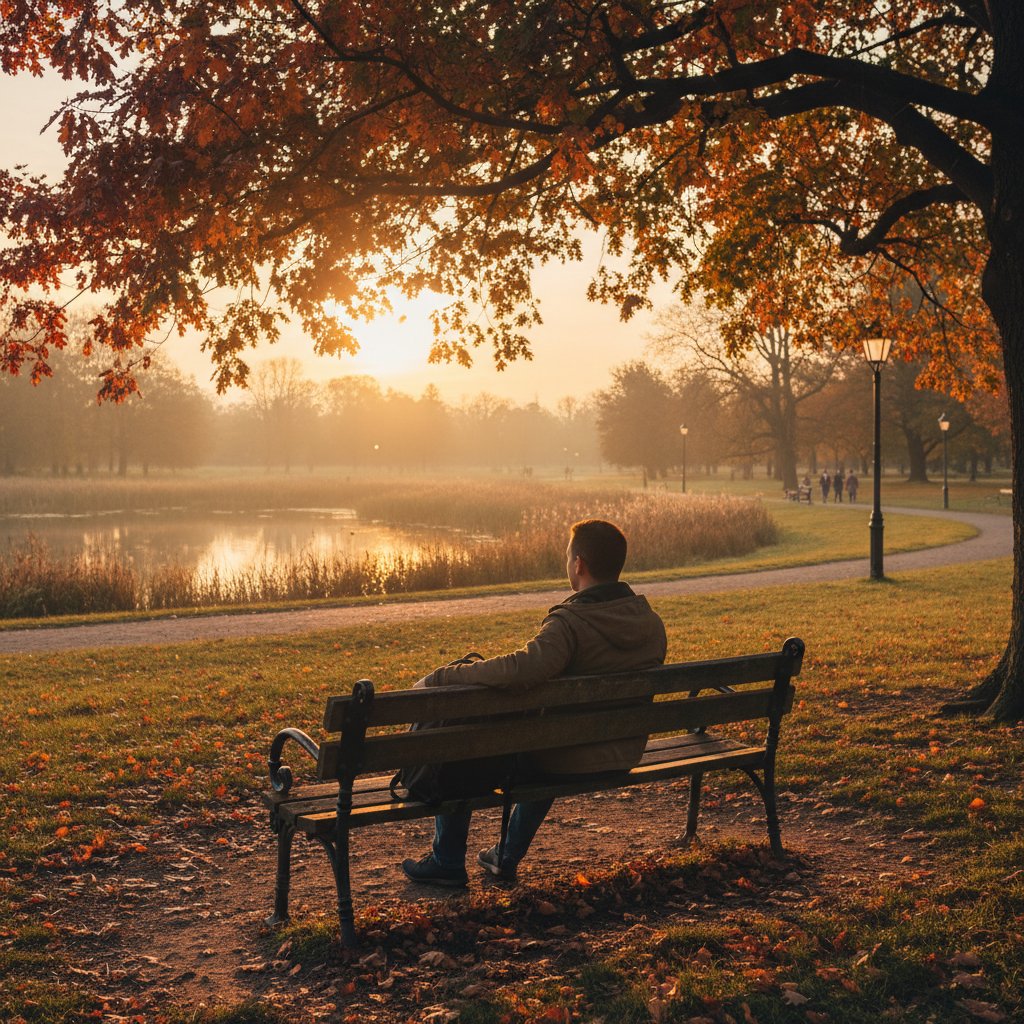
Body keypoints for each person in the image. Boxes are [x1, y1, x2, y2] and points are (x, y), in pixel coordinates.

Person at [401, 519, 667, 887]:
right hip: (623, 752)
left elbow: (521, 669)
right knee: (542, 742)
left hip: (566, 756)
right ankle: (504, 856)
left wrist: (440, 678)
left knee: (464, 744)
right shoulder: (650, 621)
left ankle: (447, 860)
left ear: (579, 565)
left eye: (568, 557)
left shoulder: (572, 622)